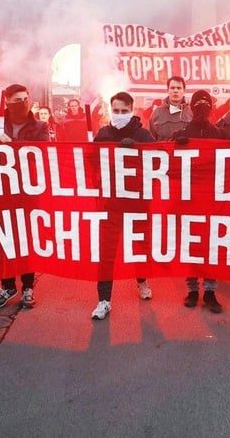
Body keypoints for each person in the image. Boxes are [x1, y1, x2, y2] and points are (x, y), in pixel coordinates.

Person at [90, 91, 155, 320]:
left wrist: (136, 150)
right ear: (110, 110)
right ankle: (104, 299)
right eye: (115, 111)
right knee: (107, 250)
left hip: (138, 200)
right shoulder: (104, 134)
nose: (119, 115)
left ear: (132, 110)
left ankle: (142, 280)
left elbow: (156, 162)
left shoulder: (144, 135)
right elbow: (92, 163)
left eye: (123, 111)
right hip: (112, 201)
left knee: (140, 245)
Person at [0, 84, 47, 310]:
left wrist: (14, 147)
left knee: (26, 240)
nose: (23, 103)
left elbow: (41, 154)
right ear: (8, 104)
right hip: (2, 191)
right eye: (17, 100)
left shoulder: (40, 126)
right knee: (4, 240)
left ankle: (28, 287)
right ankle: (7, 285)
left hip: (27, 192)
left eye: (26, 99)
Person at [175, 90, 230, 314]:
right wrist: (175, 143)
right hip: (188, 199)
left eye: (205, 103)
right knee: (190, 244)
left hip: (212, 199)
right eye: (197, 103)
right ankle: (192, 290)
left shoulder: (220, 133)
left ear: (211, 107)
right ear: (191, 106)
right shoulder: (182, 132)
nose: (201, 106)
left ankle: (209, 291)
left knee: (211, 245)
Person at [148, 76, 191, 140]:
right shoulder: (156, 113)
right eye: (172, 88)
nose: (175, 91)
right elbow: (150, 141)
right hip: (162, 150)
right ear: (168, 90)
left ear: (184, 91)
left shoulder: (191, 112)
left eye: (179, 88)